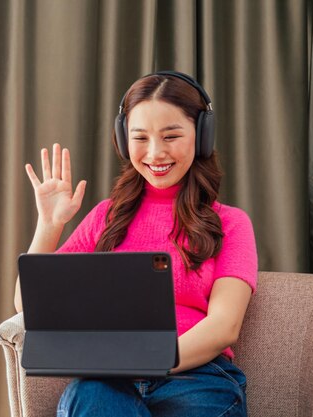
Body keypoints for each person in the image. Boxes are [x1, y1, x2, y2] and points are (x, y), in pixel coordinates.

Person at [14, 71, 258, 417]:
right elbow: (27, 305)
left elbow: (224, 326)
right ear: (122, 139)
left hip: (197, 378)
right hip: (109, 381)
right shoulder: (106, 217)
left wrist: (146, 359)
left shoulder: (231, 223)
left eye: (171, 135)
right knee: (90, 397)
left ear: (202, 136)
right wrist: (49, 226)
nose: (156, 153)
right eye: (140, 137)